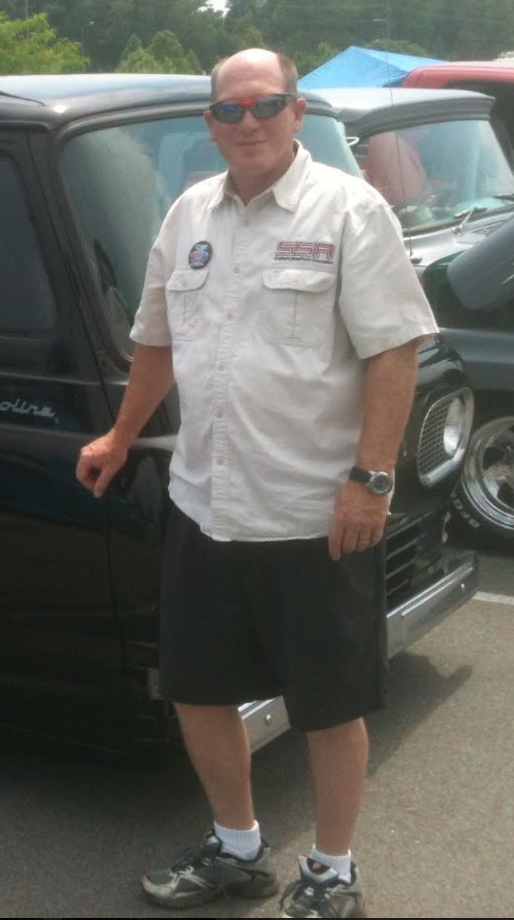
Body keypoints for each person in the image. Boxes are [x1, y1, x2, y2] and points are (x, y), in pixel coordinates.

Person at [75, 49, 437, 920]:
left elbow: (395, 351)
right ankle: (237, 849)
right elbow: (157, 338)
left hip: (315, 513)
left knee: (329, 706)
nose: (248, 123)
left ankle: (332, 871)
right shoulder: (189, 214)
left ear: (296, 111)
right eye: (230, 110)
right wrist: (121, 435)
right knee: (198, 689)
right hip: (205, 504)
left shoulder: (349, 210)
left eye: (265, 105)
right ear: (209, 123)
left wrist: (371, 479)